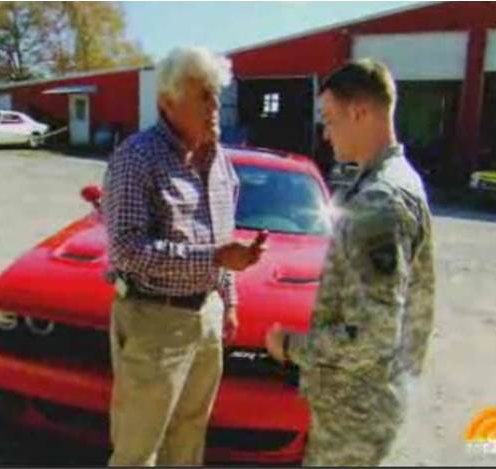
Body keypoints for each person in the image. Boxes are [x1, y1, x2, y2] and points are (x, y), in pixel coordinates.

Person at [265, 59, 436, 466]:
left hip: (356, 413)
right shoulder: (395, 180)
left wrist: (289, 345)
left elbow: (372, 336)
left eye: (329, 119)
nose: (324, 133)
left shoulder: (381, 200)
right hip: (366, 401)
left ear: (360, 112)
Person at [102, 46, 266, 466]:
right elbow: (126, 249)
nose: (215, 107)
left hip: (206, 318)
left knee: (190, 433)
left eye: (216, 95)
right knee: (138, 447)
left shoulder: (220, 163)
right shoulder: (137, 157)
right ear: (168, 101)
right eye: (202, 96)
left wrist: (227, 301)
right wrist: (214, 258)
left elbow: (222, 238)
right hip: (153, 319)